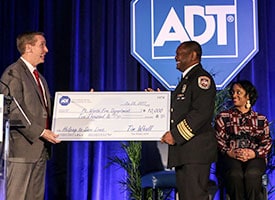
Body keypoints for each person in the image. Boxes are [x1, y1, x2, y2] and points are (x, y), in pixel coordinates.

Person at [0, 31, 61, 200]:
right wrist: (41, 132)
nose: (46, 50)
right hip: (21, 152)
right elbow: (12, 110)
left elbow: (48, 110)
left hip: (40, 150)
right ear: (28, 48)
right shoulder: (13, 73)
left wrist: (83, 103)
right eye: (42, 45)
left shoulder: (40, 78)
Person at [157, 41, 217, 200]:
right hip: (185, 152)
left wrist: (175, 135)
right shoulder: (187, 80)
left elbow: (200, 113)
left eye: (180, 53)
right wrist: (157, 100)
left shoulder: (201, 79)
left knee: (194, 196)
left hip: (195, 152)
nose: (176, 57)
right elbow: (180, 108)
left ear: (193, 55)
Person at [215, 80, 272, 200]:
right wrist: (229, 152)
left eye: (238, 92)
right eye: (233, 92)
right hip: (231, 156)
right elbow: (218, 139)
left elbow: (266, 143)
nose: (234, 95)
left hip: (254, 156)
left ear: (248, 96)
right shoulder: (224, 117)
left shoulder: (260, 119)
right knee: (235, 175)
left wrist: (253, 153)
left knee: (252, 174)